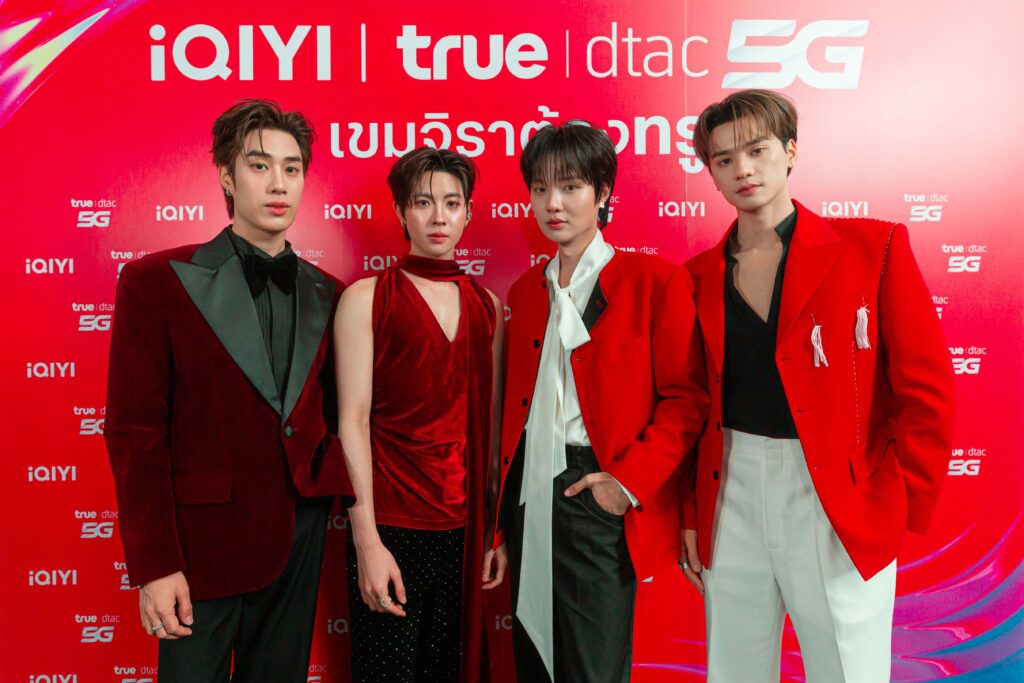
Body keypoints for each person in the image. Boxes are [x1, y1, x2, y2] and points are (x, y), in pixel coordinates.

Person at [679, 89, 955, 682]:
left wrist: (900, 502)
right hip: (731, 490)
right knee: (734, 668)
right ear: (712, 174)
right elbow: (692, 406)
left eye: (756, 150)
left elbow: (927, 390)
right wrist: (690, 514)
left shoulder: (872, 248)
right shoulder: (696, 276)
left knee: (849, 668)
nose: (742, 169)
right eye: (724, 159)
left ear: (790, 151)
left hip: (839, 493)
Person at [105, 99, 353, 682]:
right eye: (259, 165)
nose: (278, 184)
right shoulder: (155, 282)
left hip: (297, 540)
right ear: (225, 175)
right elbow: (134, 433)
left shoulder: (331, 293)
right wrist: (155, 565)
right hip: (199, 551)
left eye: (292, 168)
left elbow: (342, 418)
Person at [491, 122, 709, 682]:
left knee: (593, 669)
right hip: (529, 494)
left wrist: (624, 484)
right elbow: (512, 417)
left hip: (597, 491)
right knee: (534, 662)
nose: (553, 204)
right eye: (540, 189)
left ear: (603, 192)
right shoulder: (525, 291)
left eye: (570, 187)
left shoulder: (653, 280)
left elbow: (686, 400)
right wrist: (501, 524)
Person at [334, 147, 503, 682]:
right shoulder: (366, 298)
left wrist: (492, 535)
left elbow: (492, 431)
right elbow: (351, 422)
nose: (438, 216)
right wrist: (367, 542)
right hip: (390, 527)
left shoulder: (487, 306)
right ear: (400, 211)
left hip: (463, 531)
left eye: (452, 203)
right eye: (423, 202)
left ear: (468, 213)